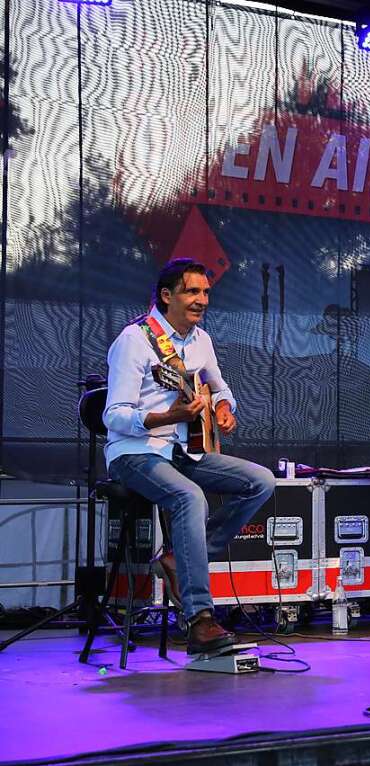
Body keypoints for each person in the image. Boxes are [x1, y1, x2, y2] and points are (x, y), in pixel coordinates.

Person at [104, 258, 276, 654]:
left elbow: (219, 387)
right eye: (192, 292)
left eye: (206, 293)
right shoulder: (135, 340)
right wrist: (168, 416)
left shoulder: (201, 341)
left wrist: (223, 408)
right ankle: (199, 620)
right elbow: (113, 415)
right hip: (135, 452)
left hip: (183, 452)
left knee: (260, 481)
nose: (201, 300)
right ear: (167, 296)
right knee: (189, 498)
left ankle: (181, 560)